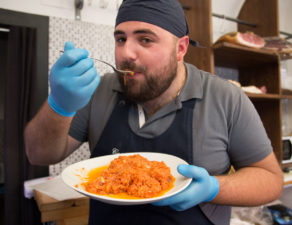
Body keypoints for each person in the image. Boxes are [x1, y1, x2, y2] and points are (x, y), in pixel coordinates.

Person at [24, 0, 283, 224]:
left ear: (180, 49)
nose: (126, 53)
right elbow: (38, 154)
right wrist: (59, 104)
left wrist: (213, 188)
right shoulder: (100, 90)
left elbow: (271, 180)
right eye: (120, 39)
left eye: (145, 39)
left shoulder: (226, 98)